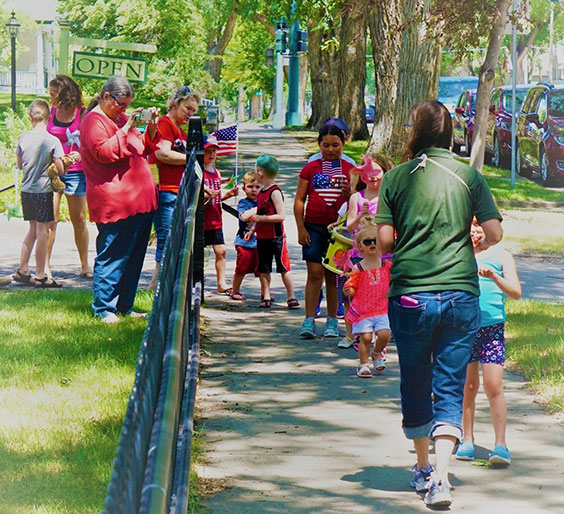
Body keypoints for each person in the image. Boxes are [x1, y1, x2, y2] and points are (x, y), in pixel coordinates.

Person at [375, 100, 503, 507]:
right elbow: (494, 232)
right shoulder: (469, 175)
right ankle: (443, 479)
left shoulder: (395, 179)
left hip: (410, 293)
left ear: (416, 131)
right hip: (461, 294)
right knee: (450, 384)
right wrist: (473, 240)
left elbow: (384, 242)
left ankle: (422, 466)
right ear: (449, 133)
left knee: (415, 380)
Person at [80, 76, 160, 323]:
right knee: (113, 255)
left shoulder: (120, 119)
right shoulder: (93, 121)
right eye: (120, 104)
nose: (124, 110)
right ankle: (103, 308)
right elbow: (104, 153)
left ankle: (124, 305)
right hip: (115, 202)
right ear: (105, 96)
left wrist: (152, 127)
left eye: (127, 105)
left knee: (133, 257)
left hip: (140, 201)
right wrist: (125, 128)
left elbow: (143, 148)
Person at [455, 219, 521, 465]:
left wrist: (494, 276)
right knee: (468, 387)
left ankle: (501, 445)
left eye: (480, 224)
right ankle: (467, 439)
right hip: (464, 327)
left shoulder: (501, 255)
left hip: (492, 328)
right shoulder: (458, 254)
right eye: (470, 224)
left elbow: (515, 292)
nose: (475, 229)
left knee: (494, 387)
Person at [294, 124, 354, 338]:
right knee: (315, 273)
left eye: (335, 145)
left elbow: (356, 203)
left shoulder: (349, 168)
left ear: (343, 143)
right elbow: (300, 199)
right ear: (319, 144)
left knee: (333, 276)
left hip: (338, 231)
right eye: (325, 145)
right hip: (313, 226)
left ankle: (331, 320)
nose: (330, 149)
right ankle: (309, 319)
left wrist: (350, 193)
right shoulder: (311, 168)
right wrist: (300, 228)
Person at [148, 86, 200, 290]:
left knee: (171, 236)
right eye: (187, 108)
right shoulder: (165, 124)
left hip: (174, 190)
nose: (190, 114)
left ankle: (157, 283)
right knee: (166, 236)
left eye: (194, 111)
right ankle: (158, 284)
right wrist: (193, 159)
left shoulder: (178, 129)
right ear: (175, 104)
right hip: (164, 190)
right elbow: (162, 154)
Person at [13, 99, 66, 288]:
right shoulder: (52, 140)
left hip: (27, 190)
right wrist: (62, 163)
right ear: (50, 116)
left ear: (30, 118)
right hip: (43, 191)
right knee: (43, 232)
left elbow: (20, 165)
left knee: (32, 230)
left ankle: (23, 269)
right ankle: (41, 275)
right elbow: (60, 169)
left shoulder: (23, 138)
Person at [45, 74, 92, 279]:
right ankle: (44, 266)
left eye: (54, 93)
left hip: (75, 173)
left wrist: (78, 155)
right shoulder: (51, 112)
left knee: (79, 219)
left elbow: (90, 141)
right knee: (50, 219)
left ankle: (84, 265)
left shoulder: (82, 113)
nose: (50, 96)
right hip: (53, 171)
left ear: (65, 93)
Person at [243, 155, 298, 308]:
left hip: (277, 237)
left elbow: (281, 216)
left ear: (260, 173)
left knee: (283, 267)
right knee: (263, 268)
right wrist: (253, 230)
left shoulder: (275, 192)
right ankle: (265, 295)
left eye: (256, 170)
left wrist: (260, 218)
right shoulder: (261, 192)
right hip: (262, 237)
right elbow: (260, 213)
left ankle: (291, 296)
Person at [343, 222, 391, 377]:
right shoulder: (358, 268)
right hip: (363, 310)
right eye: (367, 242)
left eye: (375, 241)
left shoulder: (387, 265)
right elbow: (352, 286)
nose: (372, 244)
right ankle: (363, 364)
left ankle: (377, 353)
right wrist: (350, 289)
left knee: (384, 334)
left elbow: (394, 282)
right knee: (365, 337)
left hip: (382, 308)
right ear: (360, 246)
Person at [203, 134, 239, 294]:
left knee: (221, 251)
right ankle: (196, 281)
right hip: (202, 220)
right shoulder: (199, 173)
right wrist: (205, 194)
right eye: (207, 151)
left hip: (216, 219)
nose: (211, 155)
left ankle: (221, 282)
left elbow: (217, 197)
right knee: (197, 254)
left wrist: (229, 194)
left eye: (213, 151)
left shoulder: (216, 172)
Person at [229, 170, 261, 301]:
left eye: (257, 187)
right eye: (250, 187)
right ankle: (235, 290)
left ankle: (265, 292)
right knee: (242, 267)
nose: (254, 190)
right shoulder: (243, 203)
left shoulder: (264, 201)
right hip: (244, 242)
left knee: (262, 269)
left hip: (261, 241)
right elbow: (244, 217)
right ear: (243, 188)